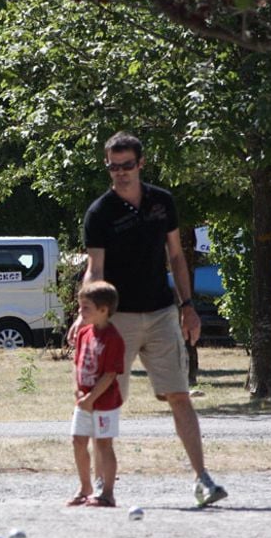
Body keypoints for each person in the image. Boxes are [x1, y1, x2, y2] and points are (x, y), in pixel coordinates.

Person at [68, 131, 228, 508]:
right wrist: (84, 315)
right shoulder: (100, 213)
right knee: (105, 399)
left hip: (160, 313)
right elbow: (96, 268)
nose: (120, 173)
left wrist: (188, 305)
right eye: (113, 166)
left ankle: (202, 480)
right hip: (117, 318)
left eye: (127, 165)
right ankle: (99, 489)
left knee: (179, 395)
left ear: (141, 164)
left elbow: (176, 256)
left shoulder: (162, 202)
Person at [68, 281, 125, 508]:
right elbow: (76, 363)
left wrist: (91, 399)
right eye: (80, 307)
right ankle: (85, 487)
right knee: (78, 441)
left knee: (103, 445)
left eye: (86, 308)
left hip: (104, 402)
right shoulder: (83, 334)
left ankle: (107, 493)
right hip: (83, 401)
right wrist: (77, 389)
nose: (81, 312)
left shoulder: (113, 338)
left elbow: (110, 374)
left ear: (103, 310)